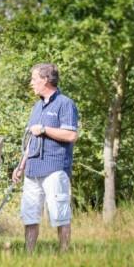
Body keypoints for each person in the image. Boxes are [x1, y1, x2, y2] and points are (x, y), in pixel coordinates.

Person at [12, 63, 78, 253]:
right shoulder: (37, 107)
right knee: (30, 215)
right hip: (32, 169)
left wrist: (44, 129)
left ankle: (64, 254)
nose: (31, 83)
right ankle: (28, 254)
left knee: (60, 214)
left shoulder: (65, 103)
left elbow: (71, 135)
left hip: (55, 168)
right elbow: (31, 140)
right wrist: (21, 166)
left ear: (46, 80)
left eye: (34, 79)